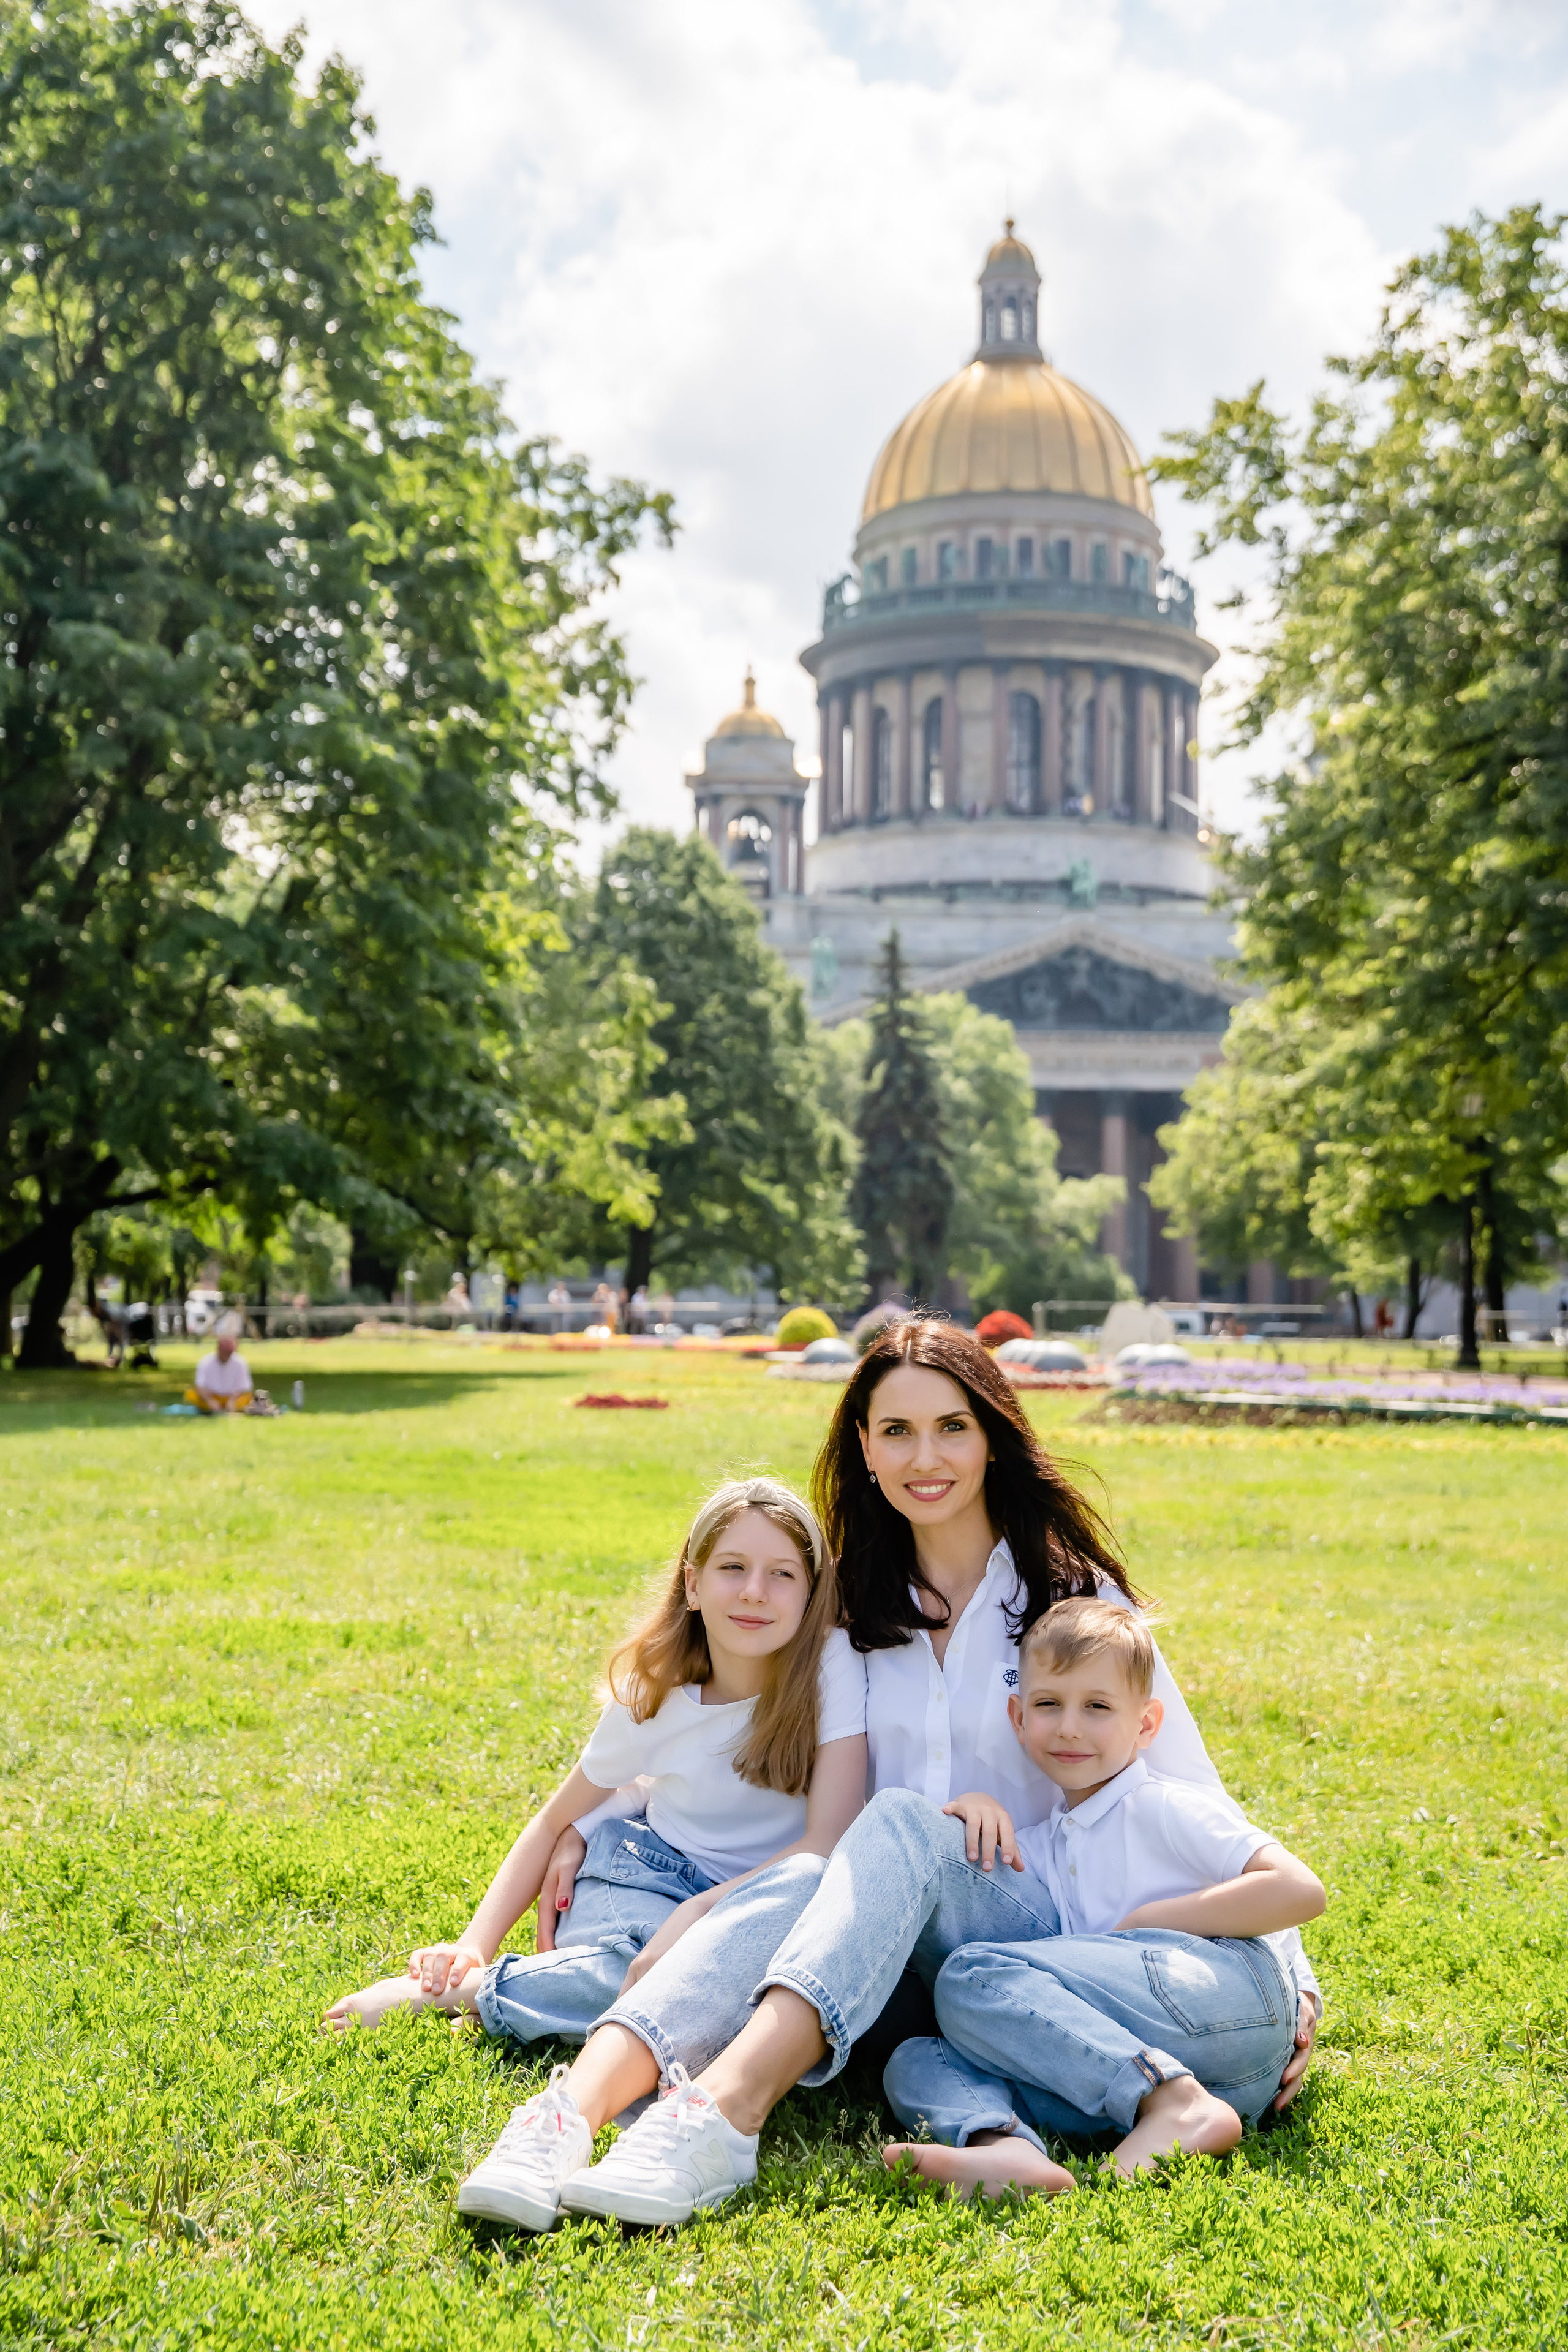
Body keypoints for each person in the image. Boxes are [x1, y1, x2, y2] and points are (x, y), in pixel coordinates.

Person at [468, 1320, 1321, 2229]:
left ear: (993, 1438)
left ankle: (722, 2114)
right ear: (863, 1450)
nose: (928, 1456)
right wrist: (592, 1825)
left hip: (1083, 1950)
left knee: (898, 1828)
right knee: (813, 1886)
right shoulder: (847, 1616)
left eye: (953, 1427)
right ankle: (563, 2119)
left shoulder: (1076, 1607)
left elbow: (1195, 1800)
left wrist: (1295, 1982)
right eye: (897, 1431)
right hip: (942, 1976)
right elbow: (733, 1737)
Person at [321, 1477, 867, 2233]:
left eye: (783, 1574)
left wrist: (703, 1916)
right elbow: (554, 1821)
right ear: (693, 1581)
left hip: (757, 1901)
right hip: (641, 1875)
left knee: (721, 1988)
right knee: (646, 1967)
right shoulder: (654, 1691)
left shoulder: (830, 1668)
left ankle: (504, 2005)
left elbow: (823, 1848)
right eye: (732, 1568)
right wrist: (473, 1946)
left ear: (812, 1594)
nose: (755, 1592)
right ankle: (466, 1990)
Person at [880, 1594, 1324, 2196]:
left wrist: (1154, 1919)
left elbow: (1300, 1889)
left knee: (969, 1977)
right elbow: (971, 1877)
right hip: (1203, 2070)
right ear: (1017, 1717)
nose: (1068, 1726)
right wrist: (975, 1807)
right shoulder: (1038, 1845)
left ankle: (1175, 2104)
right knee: (917, 2055)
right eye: (1047, 1705)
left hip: (1228, 2002)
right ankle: (1004, 2149)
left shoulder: (1163, 1807)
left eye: (1096, 1707)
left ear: (1144, 1725)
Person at [186, 1322, 253, 1414]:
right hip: (211, 1396)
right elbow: (200, 1386)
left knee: (248, 1399)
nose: (226, 1356)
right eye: (224, 1352)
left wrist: (232, 1400)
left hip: (233, 1398)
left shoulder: (240, 1362)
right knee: (191, 1395)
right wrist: (210, 1400)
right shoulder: (206, 1362)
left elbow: (244, 1387)